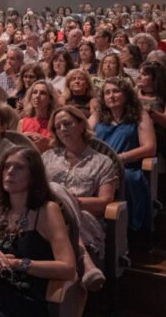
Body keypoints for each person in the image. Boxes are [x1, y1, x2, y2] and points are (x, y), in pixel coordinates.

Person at [0, 146, 76, 316]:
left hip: (22, 294)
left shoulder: (47, 210)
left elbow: (67, 268)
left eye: (19, 167)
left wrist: (17, 263)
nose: (10, 172)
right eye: (6, 167)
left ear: (33, 176)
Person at [43, 106, 118, 291]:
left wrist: (71, 201)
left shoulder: (102, 161)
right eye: (57, 126)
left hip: (86, 219)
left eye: (67, 124)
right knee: (54, 192)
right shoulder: (47, 157)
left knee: (55, 190)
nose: (62, 129)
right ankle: (82, 255)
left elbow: (104, 203)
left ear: (82, 125)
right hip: (45, 216)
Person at [90, 78, 156, 232]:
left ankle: (125, 230)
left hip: (127, 167)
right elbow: (81, 136)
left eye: (116, 91)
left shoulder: (140, 115)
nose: (111, 96)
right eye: (107, 93)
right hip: (99, 167)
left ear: (126, 95)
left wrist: (120, 158)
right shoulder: (97, 116)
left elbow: (150, 148)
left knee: (126, 178)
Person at [137, 62, 166, 173]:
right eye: (139, 73)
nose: (139, 77)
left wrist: (150, 112)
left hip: (155, 135)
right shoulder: (134, 92)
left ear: (156, 78)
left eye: (144, 74)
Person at [17, 80, 59, 152]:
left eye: (42, 93)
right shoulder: (22, 122)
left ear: (50, 99)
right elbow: (17, 149)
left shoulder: (56, 123)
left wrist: (46, 141)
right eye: (35, 92)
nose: (37, 96)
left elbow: (62, 148)